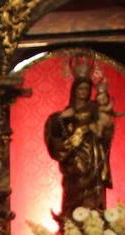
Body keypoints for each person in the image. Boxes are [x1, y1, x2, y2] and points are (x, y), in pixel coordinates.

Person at [44, 68, 114, 219]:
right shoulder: (67, 112)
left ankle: (95, 221)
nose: (83, 92)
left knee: (93, 189)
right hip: (74, 156)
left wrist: (98, 127)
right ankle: (71, 221)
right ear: (74, 90)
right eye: (80, 88)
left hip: (93, 153)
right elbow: (54, 129)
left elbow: (106, 124)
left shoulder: (94, 108)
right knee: (74, 186)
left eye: (87, 89)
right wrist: (62, 117)